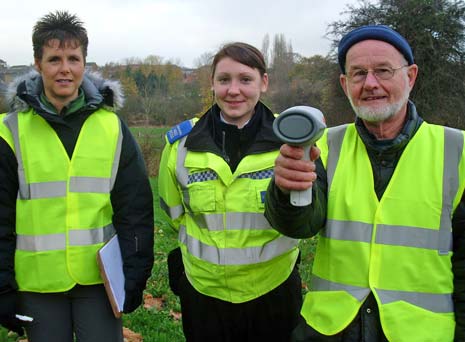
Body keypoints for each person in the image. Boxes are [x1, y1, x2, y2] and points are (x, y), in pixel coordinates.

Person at [265, 25, 465, 342]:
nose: (370, 84)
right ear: (345, 84)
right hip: (329, 330)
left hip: (421, 334)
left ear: (410, 76)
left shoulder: (457, 151)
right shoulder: (326, 146)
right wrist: (285, 189)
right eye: (358, 74)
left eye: (383, 71)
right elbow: (300, 225)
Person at [0, 11, 154, 341]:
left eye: (74, 58)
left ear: (85, 63)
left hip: (98, 281)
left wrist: (135, 270)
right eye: (54, 59)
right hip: (37, 284)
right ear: (37, 63)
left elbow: (135, 207)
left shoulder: (112, 127)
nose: (65, 68)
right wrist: (1, 286)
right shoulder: (9, 131)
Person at [158, 42, 302, 341]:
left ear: (263, 82)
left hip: (273, 292)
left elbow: (303, 215)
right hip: (203, 294)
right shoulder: (180, 146)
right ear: (212, 84)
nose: (233, 90)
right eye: (224, 80)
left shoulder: (291, 144)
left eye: (245, 79)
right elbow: (174, 215)